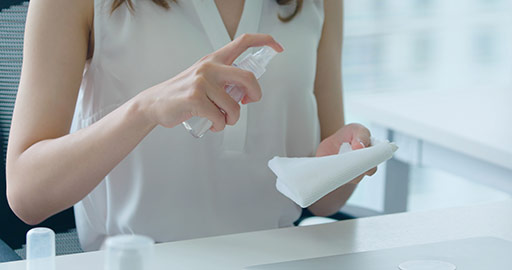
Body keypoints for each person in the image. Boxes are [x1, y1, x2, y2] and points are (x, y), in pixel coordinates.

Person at [6, 0, 375, 251]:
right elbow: (28, 194)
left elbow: (325, 202)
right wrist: (146, 108)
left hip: (275, 258)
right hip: (136, 262)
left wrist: (341, 164)